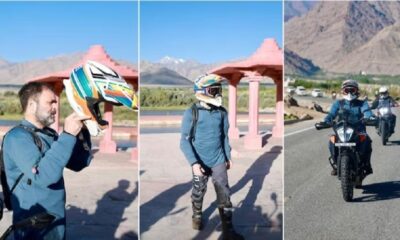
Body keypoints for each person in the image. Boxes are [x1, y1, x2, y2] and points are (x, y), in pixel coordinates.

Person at [2, 82, 92, 239]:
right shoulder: (17, 137)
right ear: (31, 104)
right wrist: (68, 135)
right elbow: (43, 175)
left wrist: (82, 133)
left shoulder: (49, 135)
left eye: (56, 102)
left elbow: (78, 163)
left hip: (56, 222)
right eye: (50, 102)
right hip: (32, 226)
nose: (55, 108)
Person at [180, 74, 244, 240]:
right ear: (202, 92)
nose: (218, 94)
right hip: (199, 161)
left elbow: (224, 137)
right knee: (198, 192)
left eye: (219, 90)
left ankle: (228, 231)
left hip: (218, 160)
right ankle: (197, 216)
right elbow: (184, 141)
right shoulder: (191, 113)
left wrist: (228, 155)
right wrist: (194, 163)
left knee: (224, 194)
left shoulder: (221, 113)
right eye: (213, 90)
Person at [322, 79, 374, 176]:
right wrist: (325, 121)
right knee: (332, 140)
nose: (349, 93)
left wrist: (369, 117)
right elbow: (331, 114)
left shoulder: (362, 103)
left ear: (356, 91)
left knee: (367, 140)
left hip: (358, 131)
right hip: (341, 130)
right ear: (343, 91)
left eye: (352, 90)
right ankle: (337, 164)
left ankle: (366, 164)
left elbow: (367, 111)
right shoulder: (338, 103)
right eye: (347, 90)